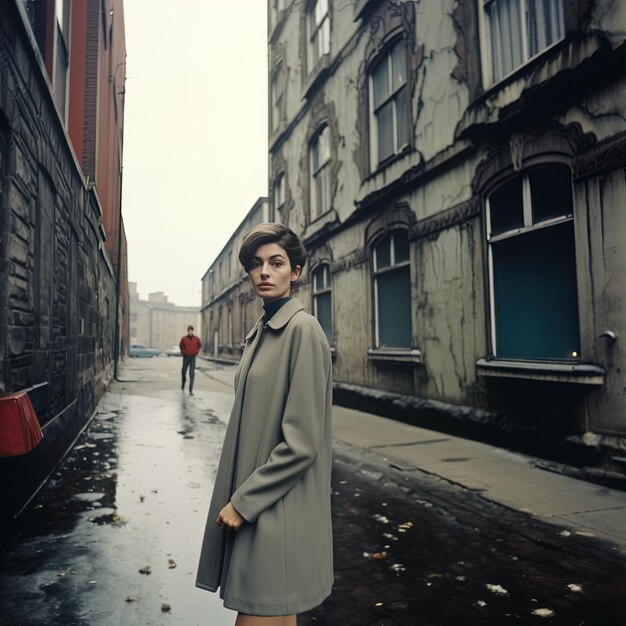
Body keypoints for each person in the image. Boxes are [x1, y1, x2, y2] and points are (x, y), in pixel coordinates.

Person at [196, 224, 333, 625]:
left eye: (276, 263)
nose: (264, 272)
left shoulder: (302, 331)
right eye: (255, 265)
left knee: (258, 613)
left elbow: (302, 442)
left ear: (296, 271)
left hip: (277, 510)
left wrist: (244, 501)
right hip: (265, 506)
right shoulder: (261, 332)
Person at [179, 325, 202, 395]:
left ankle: (190, 390)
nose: (190, 332)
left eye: (191, 331)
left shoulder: (196, 339)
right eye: (189, 331)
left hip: (193, 358)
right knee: (183, 371)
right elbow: (181, 346)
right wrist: (183, 352)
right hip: (186, 357)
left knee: (192, 374)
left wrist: (196, 352)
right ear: (187, 331)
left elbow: (200, 346)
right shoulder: (184, 339)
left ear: (193, 331)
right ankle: (183, 383)